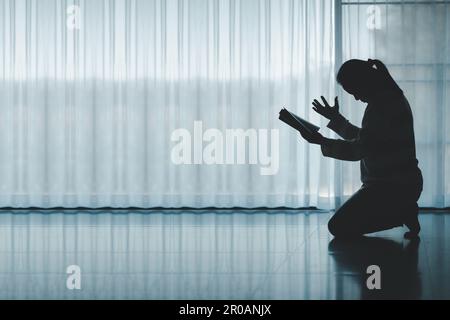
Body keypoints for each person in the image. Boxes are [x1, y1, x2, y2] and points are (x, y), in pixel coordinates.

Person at [300, 59, 423, 239]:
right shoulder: (389, 99)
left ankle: (402, 212)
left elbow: (358, 150)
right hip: (398, 184)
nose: (357, 98)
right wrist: (336, 119)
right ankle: (404, 210)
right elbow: (367, 140)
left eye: (354, 91)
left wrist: (321, 141)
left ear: (364, 82)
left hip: (391, 187)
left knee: (338, 226)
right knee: (340, 224)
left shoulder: (381, 106)